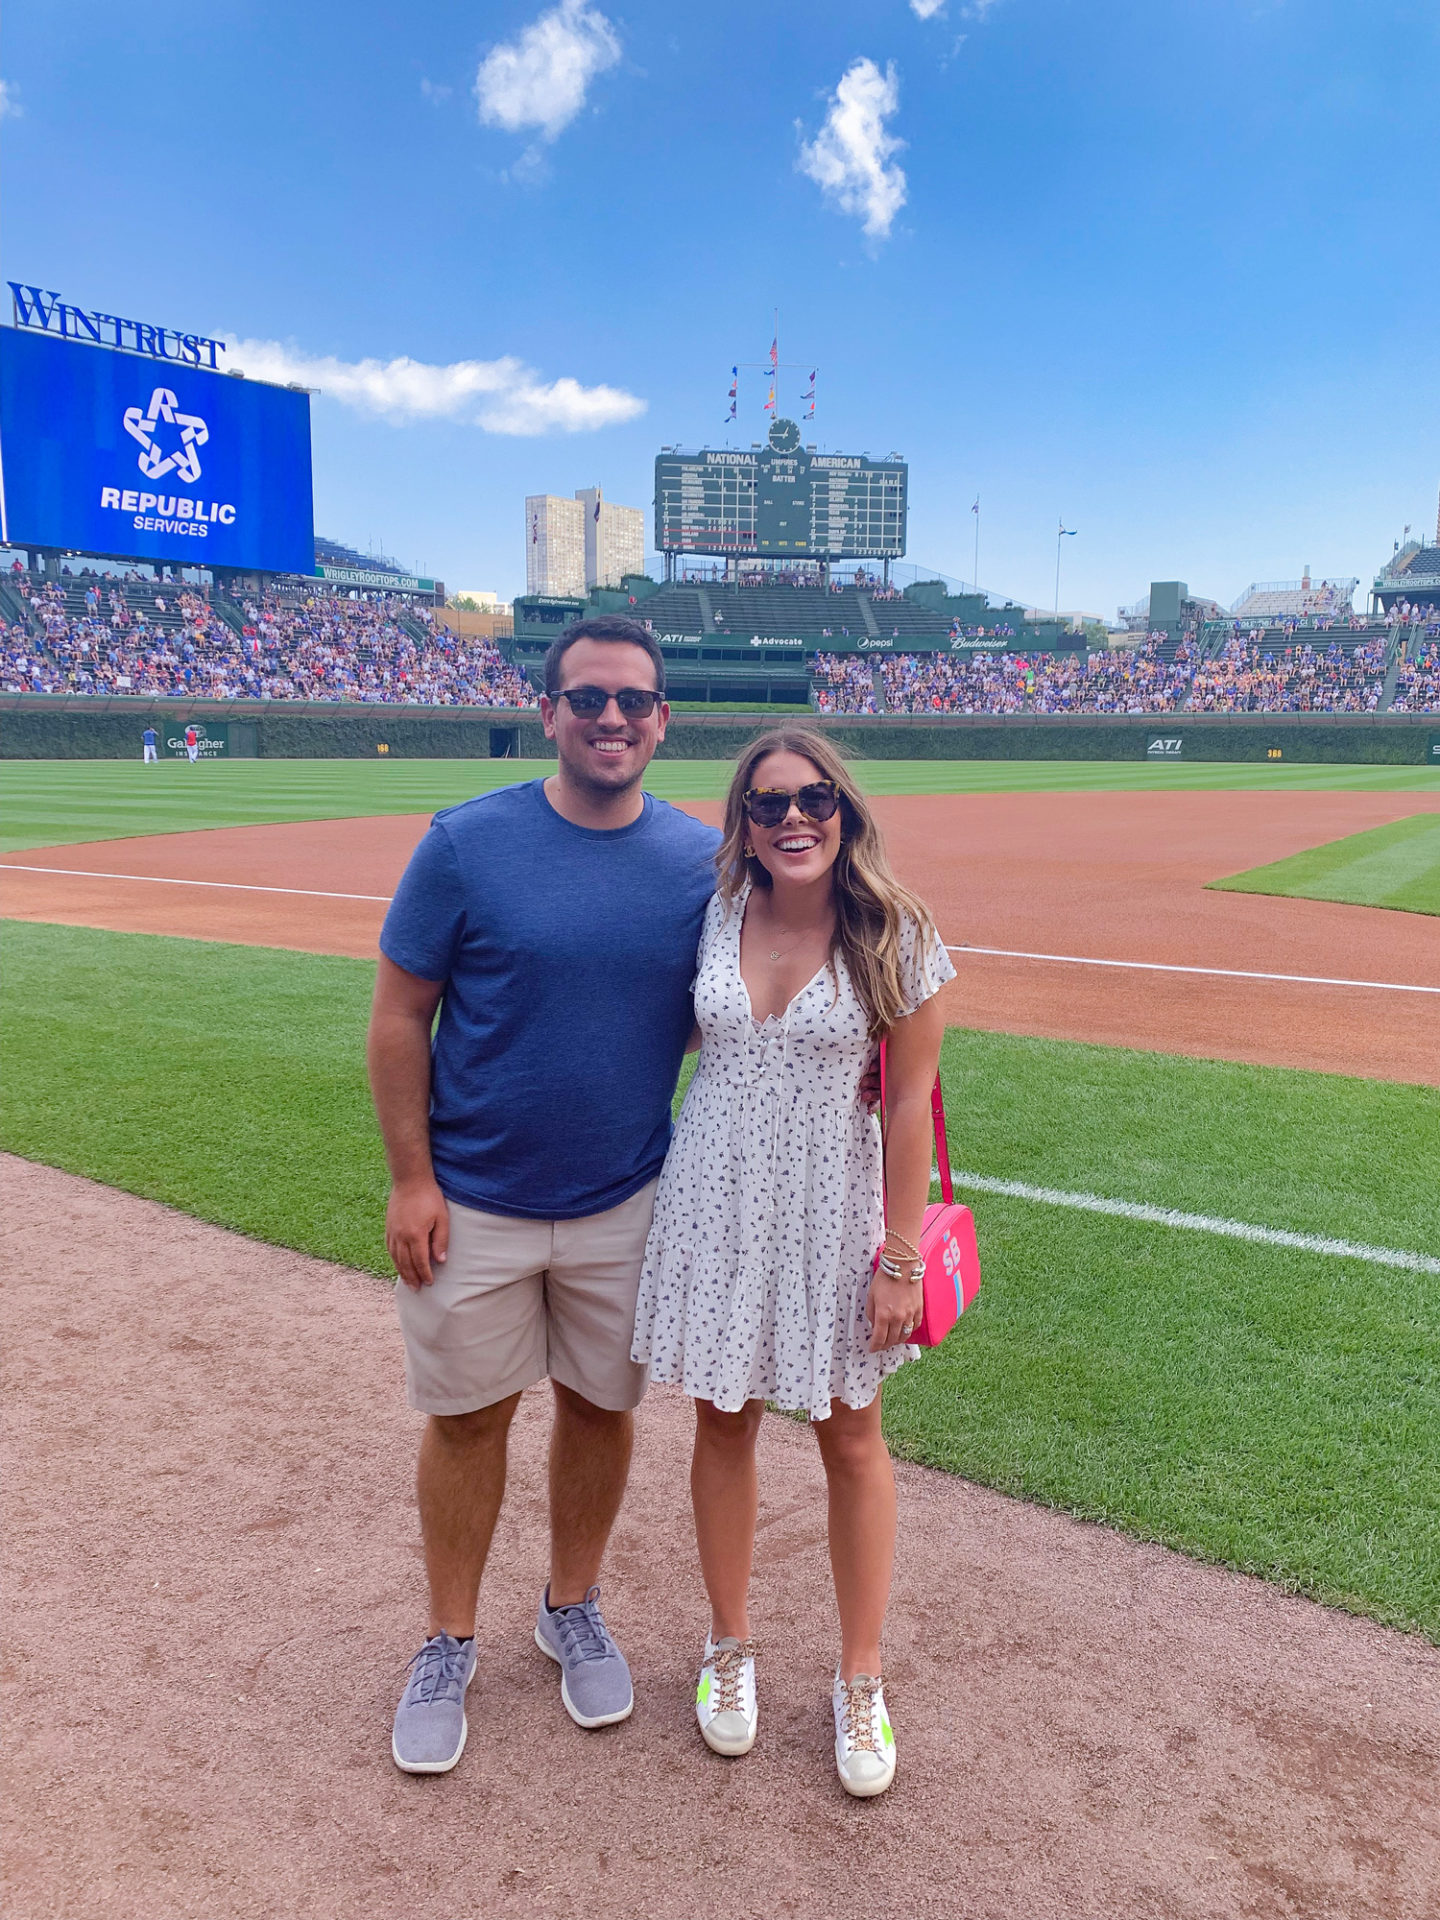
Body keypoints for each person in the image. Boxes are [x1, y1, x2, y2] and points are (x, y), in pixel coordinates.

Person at [368, 616, 720, 1775]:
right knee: (468, 1418)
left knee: (601, 1407)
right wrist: (411, 1179)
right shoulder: (467, 844)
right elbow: (397, 1016)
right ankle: (449, 1637)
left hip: (626, 1197)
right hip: (473, 1197)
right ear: (549, 711)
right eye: (588, 699)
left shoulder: (701, 859)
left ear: (662, 719)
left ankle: (571, 1604)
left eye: (633, 700)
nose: (611, 718)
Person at [632, 727, 953, 1798]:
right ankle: (730, 1648)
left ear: (846, 810)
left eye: (814, 797)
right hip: (716, 1204)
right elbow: (671, 1034)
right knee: (722, 1417)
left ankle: (861, 1677)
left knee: (850, 1434)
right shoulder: (718, 913)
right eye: (767, 805)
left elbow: (909, 1102)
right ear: (745, 824)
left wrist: (899, 1254)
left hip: (833, 1214)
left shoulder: (894, 933)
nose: (793, 818)